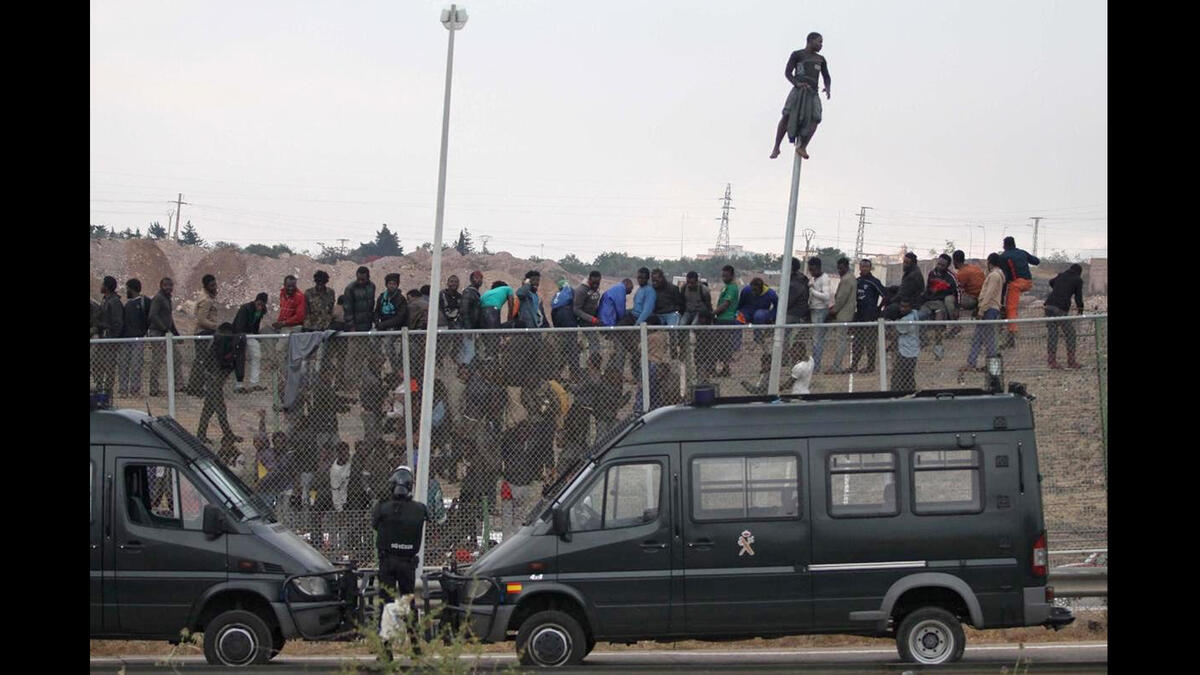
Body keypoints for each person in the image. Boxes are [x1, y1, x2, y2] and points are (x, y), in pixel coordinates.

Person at [371, 466, 430, 646]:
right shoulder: (419, 509)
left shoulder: (382, 507)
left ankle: (385, 649)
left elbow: (375, 525)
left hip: (387, 563)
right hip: (407, 564)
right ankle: (415, 645)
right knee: (408, 603)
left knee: (385, 604)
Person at [770, 32, 831, 160]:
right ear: (810, 41)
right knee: (787, 114)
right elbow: (788, 73)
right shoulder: (797, 55)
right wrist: (797, 83)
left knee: (816, 117)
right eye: (819, 42)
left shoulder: (821, 59)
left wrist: (828, 88)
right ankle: (776, 146)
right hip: (798, 90)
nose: (821, 45)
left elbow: (826, 76)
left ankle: (803, 146)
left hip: (813, 92)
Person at [198, 322, 243, 445]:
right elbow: (208, 363)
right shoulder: (219, 344)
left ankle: (201, 434)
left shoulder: (221, 342)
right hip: (213, 380)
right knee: (219, 409)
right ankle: (227, 434)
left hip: (214, 380)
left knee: (209, 408)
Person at [965, 253, 1006, 372]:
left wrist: (982, 310)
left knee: (986, 338)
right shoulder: (998, 275)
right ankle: (982, 363)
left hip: (989, 309)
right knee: (983, 337)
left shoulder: (994, 276)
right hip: (990, 308)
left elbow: (989, 294)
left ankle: (989, 364)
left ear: (990, 262)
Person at [999, 236, 1040, 347]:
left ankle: (1011, 335)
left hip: (1016, 284)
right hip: (1028, 282)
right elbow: (1036, 261)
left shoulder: (1004, 256)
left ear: (1005, 245)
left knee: (1011, 309)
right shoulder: (1022, 252)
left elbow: (1005, 276)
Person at [918, 254, 960, 360]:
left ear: (947, 266)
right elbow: (928, 289)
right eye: (939, 263)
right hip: (929, 302)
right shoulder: (932, 273)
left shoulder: (951, 277)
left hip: (940, 304)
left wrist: (957, 308)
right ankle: (924, 340)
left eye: (943, 265)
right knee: (919, 317)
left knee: (938, 326)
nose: (939, 266)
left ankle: (938, 350)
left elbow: (958, 292)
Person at [1044, 263, 1085, 369]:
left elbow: (1051, 282)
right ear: (1079, 273)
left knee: (1053, 333)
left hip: (1048, 306)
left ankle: (1052, 361)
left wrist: (1059, 288)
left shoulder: (1061, 275)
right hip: (1060, 309)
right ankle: (1071, 362)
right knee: (1071, 333)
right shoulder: (1077, 280)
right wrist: (1080, 309)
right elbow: (1078, 297)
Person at [849, 259, 886, 373]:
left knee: (870, 342)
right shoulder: (857, 281)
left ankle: (870, 366)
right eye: (862, 266)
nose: (864, 268)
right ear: (859, 267)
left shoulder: (874, 281)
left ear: (870, 268)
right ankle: (854, 365)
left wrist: (878, 308)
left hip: (870, 316)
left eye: (866, 267)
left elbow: (885, 295)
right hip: (859, 316)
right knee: (857, 342)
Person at [186, 274, 221, 397]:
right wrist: (215, 327)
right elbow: (201, 320)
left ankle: (194, 386)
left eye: (215, 284)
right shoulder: (206, 300)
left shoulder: (207, 298)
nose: (215, 287)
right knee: (202, 360)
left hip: (205, 333)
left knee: (201, 360)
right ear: (206, 286)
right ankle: (196, 387)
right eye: (212, 285)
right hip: (204, 333)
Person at [146, 277, 182, 396]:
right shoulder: (159, 298)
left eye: (170, 285)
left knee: (176, 357)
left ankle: (178, 386)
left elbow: (169, 318)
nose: (169, 287)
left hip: (166, 333)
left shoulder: (167, 299)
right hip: (158, 333)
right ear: (161, 286)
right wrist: (164, 329)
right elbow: (153, 315)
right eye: (166, 285)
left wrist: (176, 333)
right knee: (157, 360)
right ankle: (154, 389)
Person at [118, 278, 151, 396]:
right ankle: (123, 390)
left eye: (127, 289)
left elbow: (149, 319)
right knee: (123, 364)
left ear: (132, 289)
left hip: (138, 339)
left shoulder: (144, 301)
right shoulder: (127, 304)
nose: (126, 291)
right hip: (125, 339)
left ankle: (135, 389)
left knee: (136, 365)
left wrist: (144, 332)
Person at [232, 292, 269, 393]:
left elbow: (256, 324)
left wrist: (256, 335)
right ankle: (239, 384)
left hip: (250, 335)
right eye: (259, 304)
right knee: (240, 358)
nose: (260, 306)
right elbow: (239, 325)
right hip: (240, 335)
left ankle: (254, 382)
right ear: (255, 301)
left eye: (262, 305)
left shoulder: (261, 311)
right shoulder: (246, 308)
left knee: (256, 355)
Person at [825, 257, 857, 374]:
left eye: (841, 268)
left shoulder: (847, 279)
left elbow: (841, 299)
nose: (839, 270)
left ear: (846, 267)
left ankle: (837, 366)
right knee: (840, 340)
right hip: (845, 313)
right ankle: (836, 365)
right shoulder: (850, 278)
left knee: (840, 341)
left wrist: (832, 311)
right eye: (838, 268)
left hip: (843, 314)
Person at [95, 276, 124, 396]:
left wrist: (112, 339)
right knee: (98, 364)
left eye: (102, 284)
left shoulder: (114, 302)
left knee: (109, 367)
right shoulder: (106, 300)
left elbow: (118, 323)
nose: (100, 286)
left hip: (109, 340)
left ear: (106, 287)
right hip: (103, 340)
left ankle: (107, 392)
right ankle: (99, 388)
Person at [711, 265, 741, 375]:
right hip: (720, 318)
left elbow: (726, 304)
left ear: (732, 275)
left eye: (726, 276)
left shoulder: (732, 288)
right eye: (723, 276)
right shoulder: (726, 286)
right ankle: (720, 369)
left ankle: (726, 369)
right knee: (718, 345)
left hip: (727, 319)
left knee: (724, 345)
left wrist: (713, 313)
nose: (724, 278)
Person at [884, 252, 925, 320]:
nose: (904, 265)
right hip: (908, 300)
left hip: (912, 303)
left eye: (907, 263)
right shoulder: (910, 272)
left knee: (890, 309)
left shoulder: (913, 276)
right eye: (904, 262)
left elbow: (903, 293)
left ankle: (885, 327)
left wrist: (890, 301)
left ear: (913, 264)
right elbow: (904, 288)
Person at [807, 257, 832, 368]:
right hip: (813, 309)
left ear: (818, 267)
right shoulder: (813, 278)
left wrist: (812, 290)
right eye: (810, 270)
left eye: (813, 270)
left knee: (818, 340)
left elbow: (826, 297)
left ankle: (816, 365)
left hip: (820, 311)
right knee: (815, 339)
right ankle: (815, 364)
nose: (811, 272)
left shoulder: (824, 278)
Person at [457, 270, 484, 364]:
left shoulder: (474, 293)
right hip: (466, 327)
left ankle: (463, 371)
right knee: (469, 351)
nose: (479, 280)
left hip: (470, 327)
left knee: (467, 350)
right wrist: (468, 328)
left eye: (481, 278)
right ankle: (465, 372)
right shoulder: (469, 292)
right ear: (471, 280)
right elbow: (464, 310)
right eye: (476, 278)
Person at [892, 300, 920, 391]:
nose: (902, 309)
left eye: (905, 307)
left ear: (910, 307)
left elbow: (896, 332)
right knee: (909, 375)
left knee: (898, 376)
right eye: (901, 306)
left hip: (905, 351)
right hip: (914, 349)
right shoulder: (915, 314)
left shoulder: (906, 320)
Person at [952, 251, 985, 320]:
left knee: (950, 298)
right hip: (982, 298)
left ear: (954, 261)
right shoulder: (975, 268)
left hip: (973, 300)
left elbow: (957, 289)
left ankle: (953, 320)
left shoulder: (962, 273)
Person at [329, 442, 354, 512]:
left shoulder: (350, 458)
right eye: (344, 454)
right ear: (339, 454)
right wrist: (340, 509)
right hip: (342, 498)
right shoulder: (335, 471)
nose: (347, 456)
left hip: (351, 491)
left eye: (347, 453)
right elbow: (335, 492)